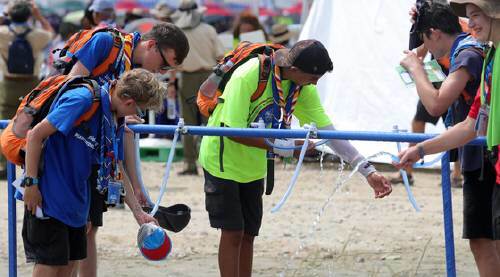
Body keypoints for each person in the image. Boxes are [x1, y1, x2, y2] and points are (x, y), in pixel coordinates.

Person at [198, 39, 392, 277]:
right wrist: (287, 148)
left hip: (254, 165)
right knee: (232, 232)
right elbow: (233, 131)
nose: (316, 83)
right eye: (313, 78)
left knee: (249, 234)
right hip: (222, 160)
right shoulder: (249, 75)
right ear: (294, 70)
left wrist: (368, 171)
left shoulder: (302, 87)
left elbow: (330, 133)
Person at [64, 23, 189, 277]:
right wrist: (108, 107)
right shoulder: (107, 44)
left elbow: (124, 135)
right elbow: (69, 86)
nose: (161, 72)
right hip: (70, 151)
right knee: (73, 231)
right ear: (153, 45)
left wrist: (138, 187)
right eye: (164, 65)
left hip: (100, 157)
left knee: (90, 229)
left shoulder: (135, 75)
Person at [21, 68, 165, 277]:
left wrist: (138, 212)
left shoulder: (113, 117)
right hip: (50, 198)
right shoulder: (82, 100)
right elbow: (34, 136)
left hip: (78, 202)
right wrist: (31, 184)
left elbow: (115, 166)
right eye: (140, 110)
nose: (137, 116)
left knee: (68, 267)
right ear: (128, 101)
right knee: (49, 266)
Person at [396, 0, 500, 275]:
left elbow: (436, 105)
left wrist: (416, 68)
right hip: (485, 156)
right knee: (482, 236)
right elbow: (471, 123)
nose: (472, 22)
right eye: (469, 17)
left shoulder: (469, 53)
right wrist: (421, 150)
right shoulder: (487, 54)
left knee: (488, 237)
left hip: (485, 160)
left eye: (477, 15)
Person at [0, 0, 54, 178]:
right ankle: (30, 161)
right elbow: (50, 34)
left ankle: (2, 165)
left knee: (4, 122)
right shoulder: (37, 34)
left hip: (8, 83)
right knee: (33, 123)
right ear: (29, 16)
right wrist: (39, 17)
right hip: (31, 84)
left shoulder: (3, 33)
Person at [171, 0, 225, 175]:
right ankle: (213, 162)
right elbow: (220, 56)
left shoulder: (177, 33)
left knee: (187, 123)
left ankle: (190, 163)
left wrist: (172, 83)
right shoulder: (208, 30)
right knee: (211, 120)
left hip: (186, 79)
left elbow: (173, 63)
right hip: (209, 78)